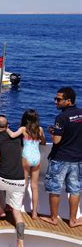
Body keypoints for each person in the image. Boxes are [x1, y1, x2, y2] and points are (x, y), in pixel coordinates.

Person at [41, 87, 82, 228]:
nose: (55, 102)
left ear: (68, 101)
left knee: (54, 189)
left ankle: (54, 218)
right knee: (75, 190)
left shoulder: (61, 117)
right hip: (78, 159)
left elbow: (57, 140)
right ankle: (73, 220)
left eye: (58, 99)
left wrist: (52, 132)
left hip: (60, 158)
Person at [0, 115, 26, 247]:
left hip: (3, 179)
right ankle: (20, 241)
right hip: (19, 180)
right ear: (7, 126)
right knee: (17, 213)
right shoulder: (17, 137)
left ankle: (0, 209)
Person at [6, 109, 46, 219]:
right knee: (34, 186)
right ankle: (34, 213)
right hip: (36, 158)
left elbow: (13, 135)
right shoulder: (40, 129)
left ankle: (17, 208)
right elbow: (43, 142)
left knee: (23, 184)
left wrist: (6, 128)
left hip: (26, 157)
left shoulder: (23, 129)